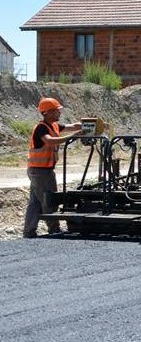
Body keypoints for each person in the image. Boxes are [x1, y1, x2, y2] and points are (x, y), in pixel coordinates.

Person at [23, 97, 82, 238]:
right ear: (47, 112)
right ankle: (53, 229)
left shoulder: (53, 126)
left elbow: (72, 126)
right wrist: (72, 136)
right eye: (56, 111)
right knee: (49, 200)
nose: (59, 113)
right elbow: (49, 141)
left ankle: (29, 231)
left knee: (36, 201)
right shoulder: (41, 128)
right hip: (40, 171)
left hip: (43, 170)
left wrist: (88, 125)